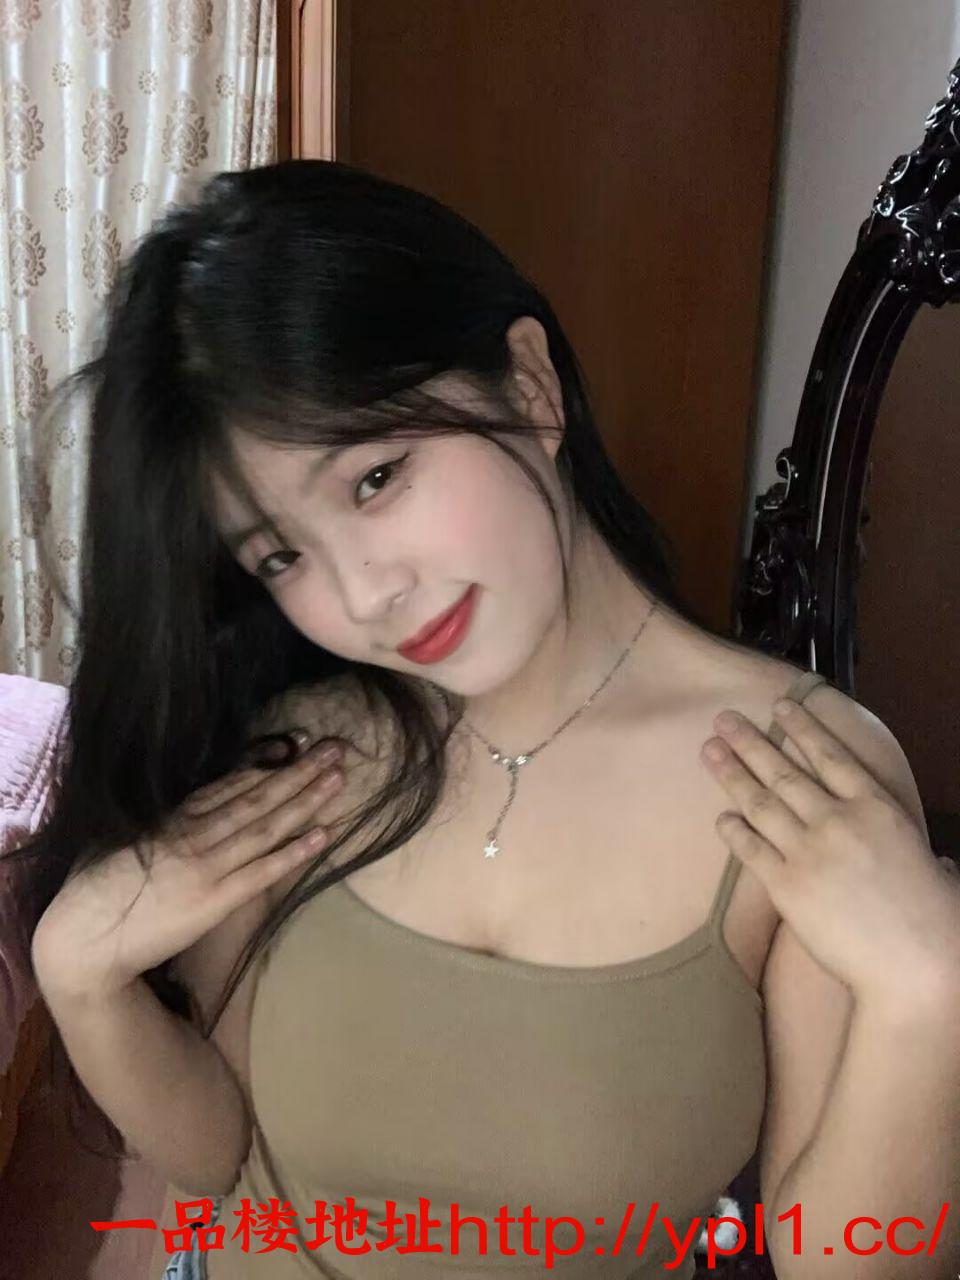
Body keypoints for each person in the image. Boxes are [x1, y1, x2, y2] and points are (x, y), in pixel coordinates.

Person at [8, 160, 959, 1280]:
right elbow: (215, 1155)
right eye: (280, 555)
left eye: (375, 478)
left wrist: (929, 996)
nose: (364, 595)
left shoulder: (798, 774)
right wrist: (83, 980)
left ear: (531, 386)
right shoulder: (297, 748)